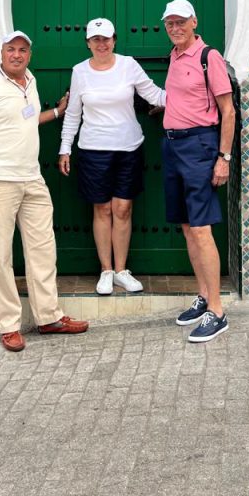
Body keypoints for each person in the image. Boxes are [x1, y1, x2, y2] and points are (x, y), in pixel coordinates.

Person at [0, 30, 89, 352]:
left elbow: (26, 119)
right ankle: (9, 325)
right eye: (11, 49)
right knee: (0, 255)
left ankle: (48, 316)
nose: (17, 55)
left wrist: (57, 112)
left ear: (29, 55)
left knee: (43, 248)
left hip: (32, 179)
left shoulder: (29, 81)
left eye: (23, 50)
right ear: (1, 53)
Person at [58, 17, 166, 296]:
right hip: (93, 149)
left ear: (114, 40)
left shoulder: (129, 65)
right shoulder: (80, 71)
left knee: (123, 209)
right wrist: (64, 147)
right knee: (102, 209)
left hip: (128, 147)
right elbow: (73, 114)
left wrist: (190, 97)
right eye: (96, 39)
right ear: (88, 43)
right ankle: (106, 271)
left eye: (106, 38)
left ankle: (121, 271)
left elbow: (154, 94)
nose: (101, 44)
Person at [161, 0, 235, 343]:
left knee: (202, 228)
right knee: (188, 226)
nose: (174, 28)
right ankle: (205, 297)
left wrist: (224, 157)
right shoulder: (175, 56)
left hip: (200, 147)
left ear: (194, 21)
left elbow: (228, 111)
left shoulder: (210, 57)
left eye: (180, 22)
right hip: (173, 146)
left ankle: (218, 313)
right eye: (169, 23)